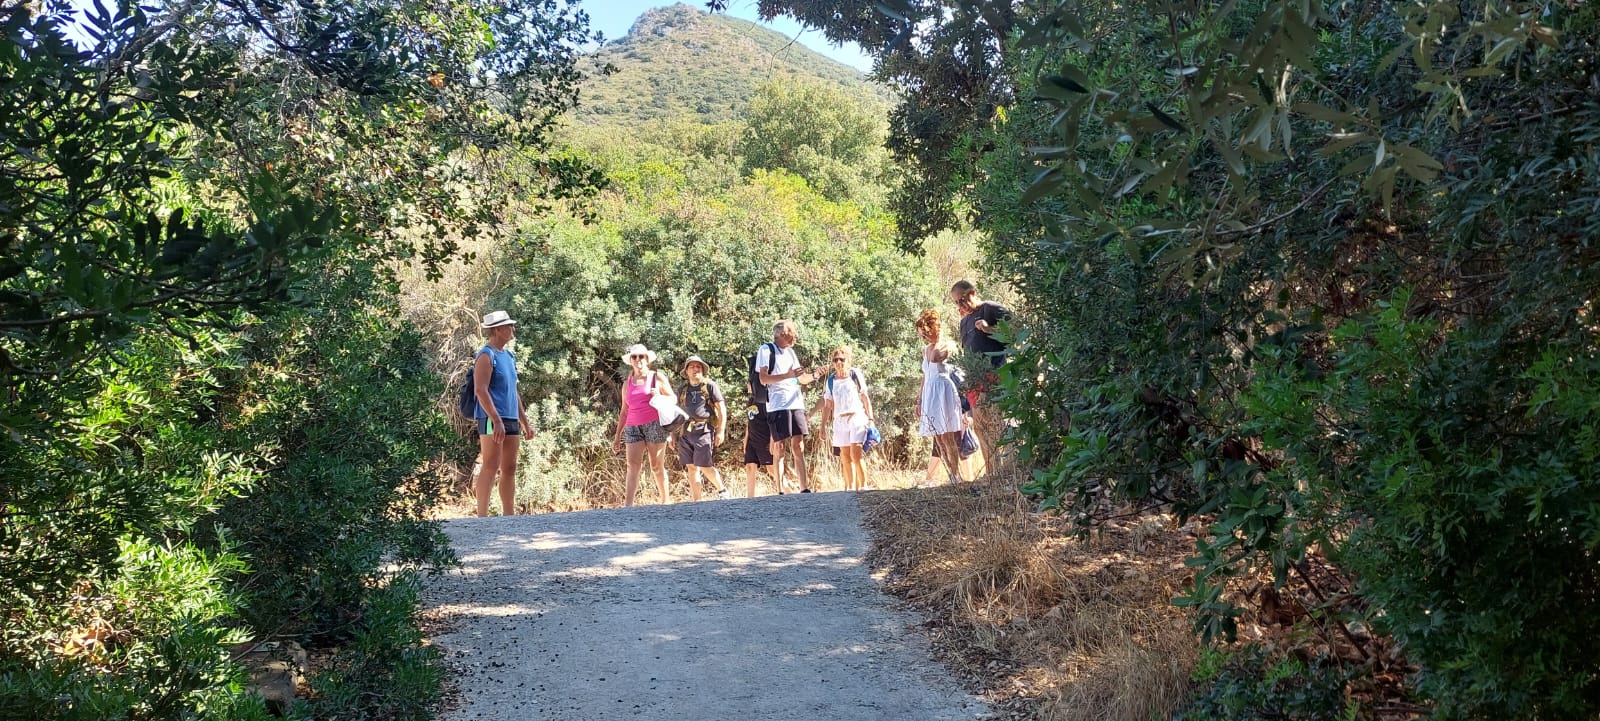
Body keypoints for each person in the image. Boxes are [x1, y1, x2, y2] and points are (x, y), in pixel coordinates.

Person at [471, 310, 531, 517]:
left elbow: (513, 391)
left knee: (510, 466)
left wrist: (525, 422)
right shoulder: (486, 355)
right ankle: (482, 517)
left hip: (511, 417)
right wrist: (496, 419)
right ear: (497, 329)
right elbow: (480, 389)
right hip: (491, 418)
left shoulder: (508, 356)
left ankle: (508, 515)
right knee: (491, 464)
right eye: (509, 326)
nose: (512, 329)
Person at [756, 320, 818, 493]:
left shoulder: (791, 353)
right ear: (782, 334)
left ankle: (804, 487)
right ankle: (780, 488)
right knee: (780, 446)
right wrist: (787, 375)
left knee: (798, 445)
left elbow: (801, 378)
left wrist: (814, 375)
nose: (796, 336)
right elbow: (763, 379)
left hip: (795, 402)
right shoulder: (766, 350)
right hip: (777, 404)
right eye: (793, 332)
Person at [613, 343, 673, 507]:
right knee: (632, 465)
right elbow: (624, 410)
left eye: (641, 356)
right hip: (633, 426)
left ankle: (665, 501)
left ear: (647, 359)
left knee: (656, 465)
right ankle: (628, 505)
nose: (638, 359)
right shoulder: (627, 384)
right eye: (634, 356)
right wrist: (618, 435)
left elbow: (673, 399)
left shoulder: (657, 377)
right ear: (630, 360)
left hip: (654, 424)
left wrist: (659, 395)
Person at [915, 309, 966, 484]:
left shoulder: (948, 345)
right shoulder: (924, 349)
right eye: (922, 336)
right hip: (930, 391)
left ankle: (955, 474)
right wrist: (919, 399)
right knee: (937, 436)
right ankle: (948, 472)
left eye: (926, 334)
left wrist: (938, 339)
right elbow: (925, 374)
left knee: (948, 435)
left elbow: (936, 357)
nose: (924, 338)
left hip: (943, 391)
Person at [814, 346, 874, 492]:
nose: (839, 362)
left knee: (856, 453)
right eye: (836, 360)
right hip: (840, 420)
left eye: (842, 359)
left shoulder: (855, 374)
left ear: (848, 360)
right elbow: (828, 404)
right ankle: (850, 488)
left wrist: (871, 419)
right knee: (844, 456)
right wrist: (822, 426)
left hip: (856, 417)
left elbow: (864, 397)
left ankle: (863, 486)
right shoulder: (831, 380)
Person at [677, 356, 729, 501]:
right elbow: (677, 412)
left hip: (704, 429)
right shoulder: (683, 389)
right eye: (692, 367)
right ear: (686, 371)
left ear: (702, 369)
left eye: (698, 366)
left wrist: (720, 430)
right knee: (691, 467)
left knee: (705, 465)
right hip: (686, 431)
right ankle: (697, 501)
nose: (695, 369)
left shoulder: (709, 386)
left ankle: (722, 490)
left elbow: (721, 408)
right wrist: (671, 435)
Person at [950, 279, 1011, 368]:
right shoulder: (963, 322)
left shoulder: (991, 308)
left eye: (962, 300)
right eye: (957, 302)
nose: (960, 305)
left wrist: (990, 329)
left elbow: (1015, 334)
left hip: (996, 372)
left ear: (973, 293)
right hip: (976, 377)